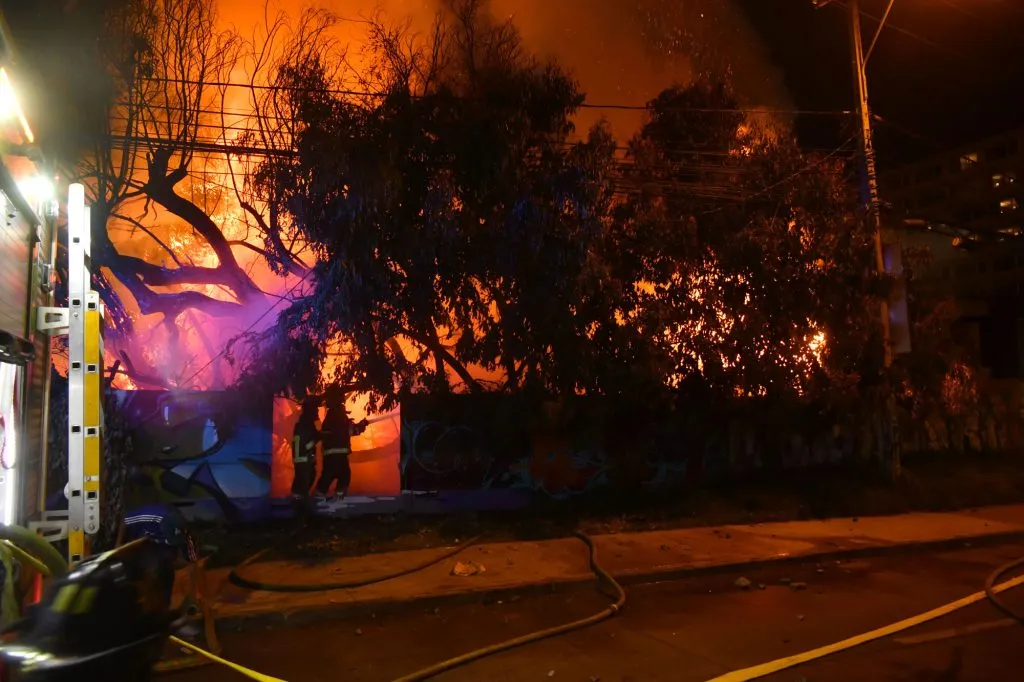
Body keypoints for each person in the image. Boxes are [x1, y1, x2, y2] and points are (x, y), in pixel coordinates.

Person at [119, 502, 199, 611]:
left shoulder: (188, 538)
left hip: (159, 552)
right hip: (139, 543)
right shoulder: (149, 517)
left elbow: (193, 564)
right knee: (147, 570)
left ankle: (163, 607)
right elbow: (123, 522)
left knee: (164, 570)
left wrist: (192, 598)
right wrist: (118, 548)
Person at [314, 385, 368, 503]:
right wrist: (360, 426)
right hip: (336, 456)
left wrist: (360, 426)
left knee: (338, 477)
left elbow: (346, 430)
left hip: (334, 455)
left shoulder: (334, 415)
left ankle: (326, 499)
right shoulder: (337, 415)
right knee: (339, 477)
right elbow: (348, 430)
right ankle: (324, 501)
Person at [290, 397, 322, 505]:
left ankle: (299, 506)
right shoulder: (305, 425)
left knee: (309, 478)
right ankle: (300, 513)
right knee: (303, 486)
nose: (317, 412)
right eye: (315, 409)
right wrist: (319, 436)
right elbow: (307, 445)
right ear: (310, 410)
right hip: (304, 460)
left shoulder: (304, 423)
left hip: (304, 460)